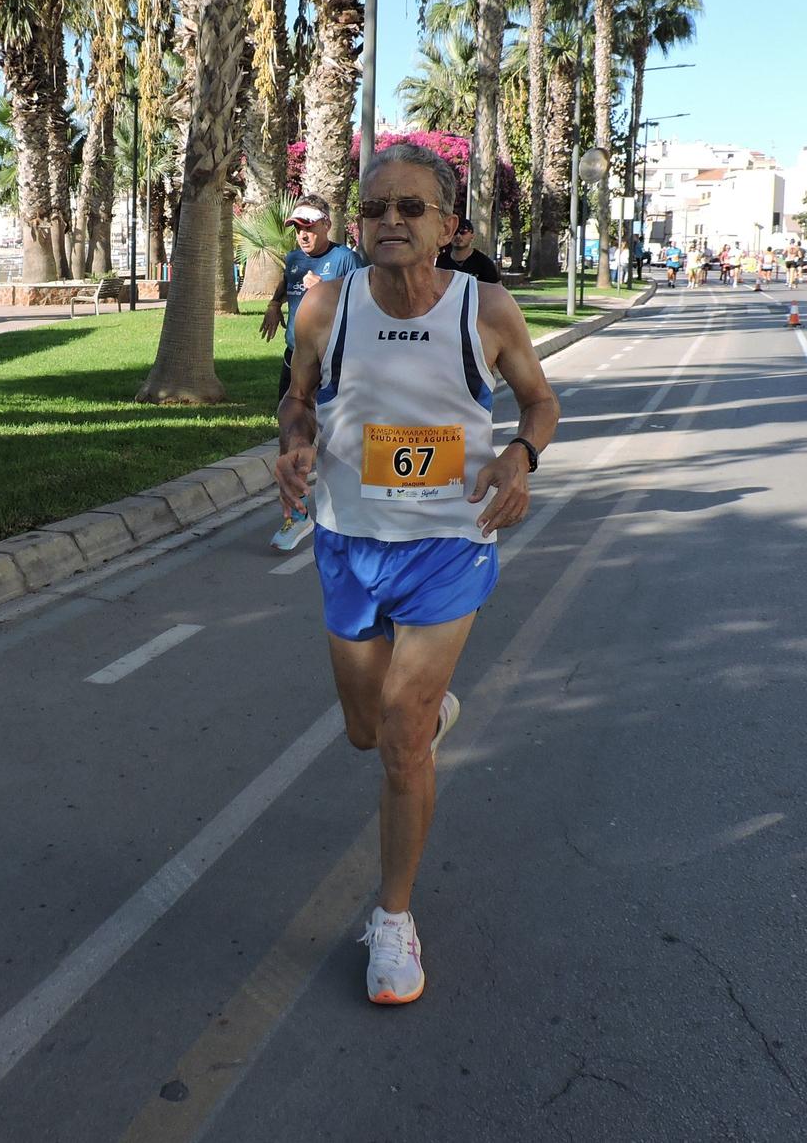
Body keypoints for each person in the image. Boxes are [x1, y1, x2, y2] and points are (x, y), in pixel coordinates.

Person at [276, 142, 560, 1006]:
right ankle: (426, 713)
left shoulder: (487, 308)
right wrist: (292, 441)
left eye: (409, 208)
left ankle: (393, 920)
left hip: (449, 543)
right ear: (356, 226)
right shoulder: (328, 305)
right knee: (366, 730)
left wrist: (519, 457)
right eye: (374, 210)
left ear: (448, 227)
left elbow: (540, 404)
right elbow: (298, 394)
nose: (389, 221)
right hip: (349, 543)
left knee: (398, 740)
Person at [262, 196, 363, 546]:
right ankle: (296, 515)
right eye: (298, 228)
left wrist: (326, 294)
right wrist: (275, 304)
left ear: (326, 225)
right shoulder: (293, 259)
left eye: (309, 226)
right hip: (295, 358)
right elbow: (285, 282)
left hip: (335, 362)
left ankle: (349, 511)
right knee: (289, 438)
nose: (303, 234)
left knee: (338, 441)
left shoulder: (346, 260)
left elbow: (366, 303)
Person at [436, 221, 503, 283]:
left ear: (472, 236)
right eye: (454, 232)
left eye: (463, 232)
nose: (458, 236)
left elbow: (497, 288)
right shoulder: (442, 260)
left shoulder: (484, 263)